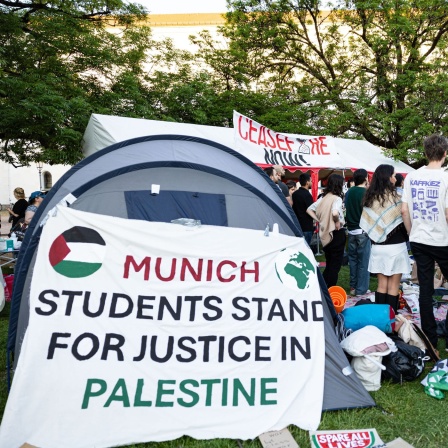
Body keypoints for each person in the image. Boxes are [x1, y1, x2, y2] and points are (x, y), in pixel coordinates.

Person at [401, 134, 448, 351]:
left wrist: (412, 234)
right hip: (442, 239)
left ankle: (431, 341)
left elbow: (404, 210)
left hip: (419, 239)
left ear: (425, 153)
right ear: (445, 154)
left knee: (425, 290)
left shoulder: (411, 177)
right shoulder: (446, 177)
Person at [360, 164, 410, 312]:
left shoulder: (370, 198)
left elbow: (367, 222)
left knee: (381, 285)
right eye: (394, 175)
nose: (395, 178)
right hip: (397, 247)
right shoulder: (399, 198)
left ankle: (380, 320)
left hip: (377, 247)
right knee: (393, 286)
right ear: (388, 178)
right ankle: (391, 321)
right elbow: (406, 216)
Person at [307, 174, 346, 287]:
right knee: (335, 265)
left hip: (325, 235)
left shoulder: (323, 198)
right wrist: (337, 221)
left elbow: (309, 209)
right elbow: (335, 213)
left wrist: (318, 219)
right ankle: (330, 289)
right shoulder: (337, 198)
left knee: (329, 263)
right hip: (336, 234)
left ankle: (323, 287)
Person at [345, 169, 371, 296]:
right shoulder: (366, 193)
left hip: (351, 230)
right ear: (366, 178)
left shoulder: (349, 192)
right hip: (362, 230)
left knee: (353, 260)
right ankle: (361, 289)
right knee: (363, 261)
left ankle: (353, 287)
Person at [292, 173, 314, 245]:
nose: (312, 182)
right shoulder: (307, 195)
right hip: (306, 226)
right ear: (307, 182)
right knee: (306, 247)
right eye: (311, 181)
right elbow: (310, 210)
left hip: (297, 225)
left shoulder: (295, 194)